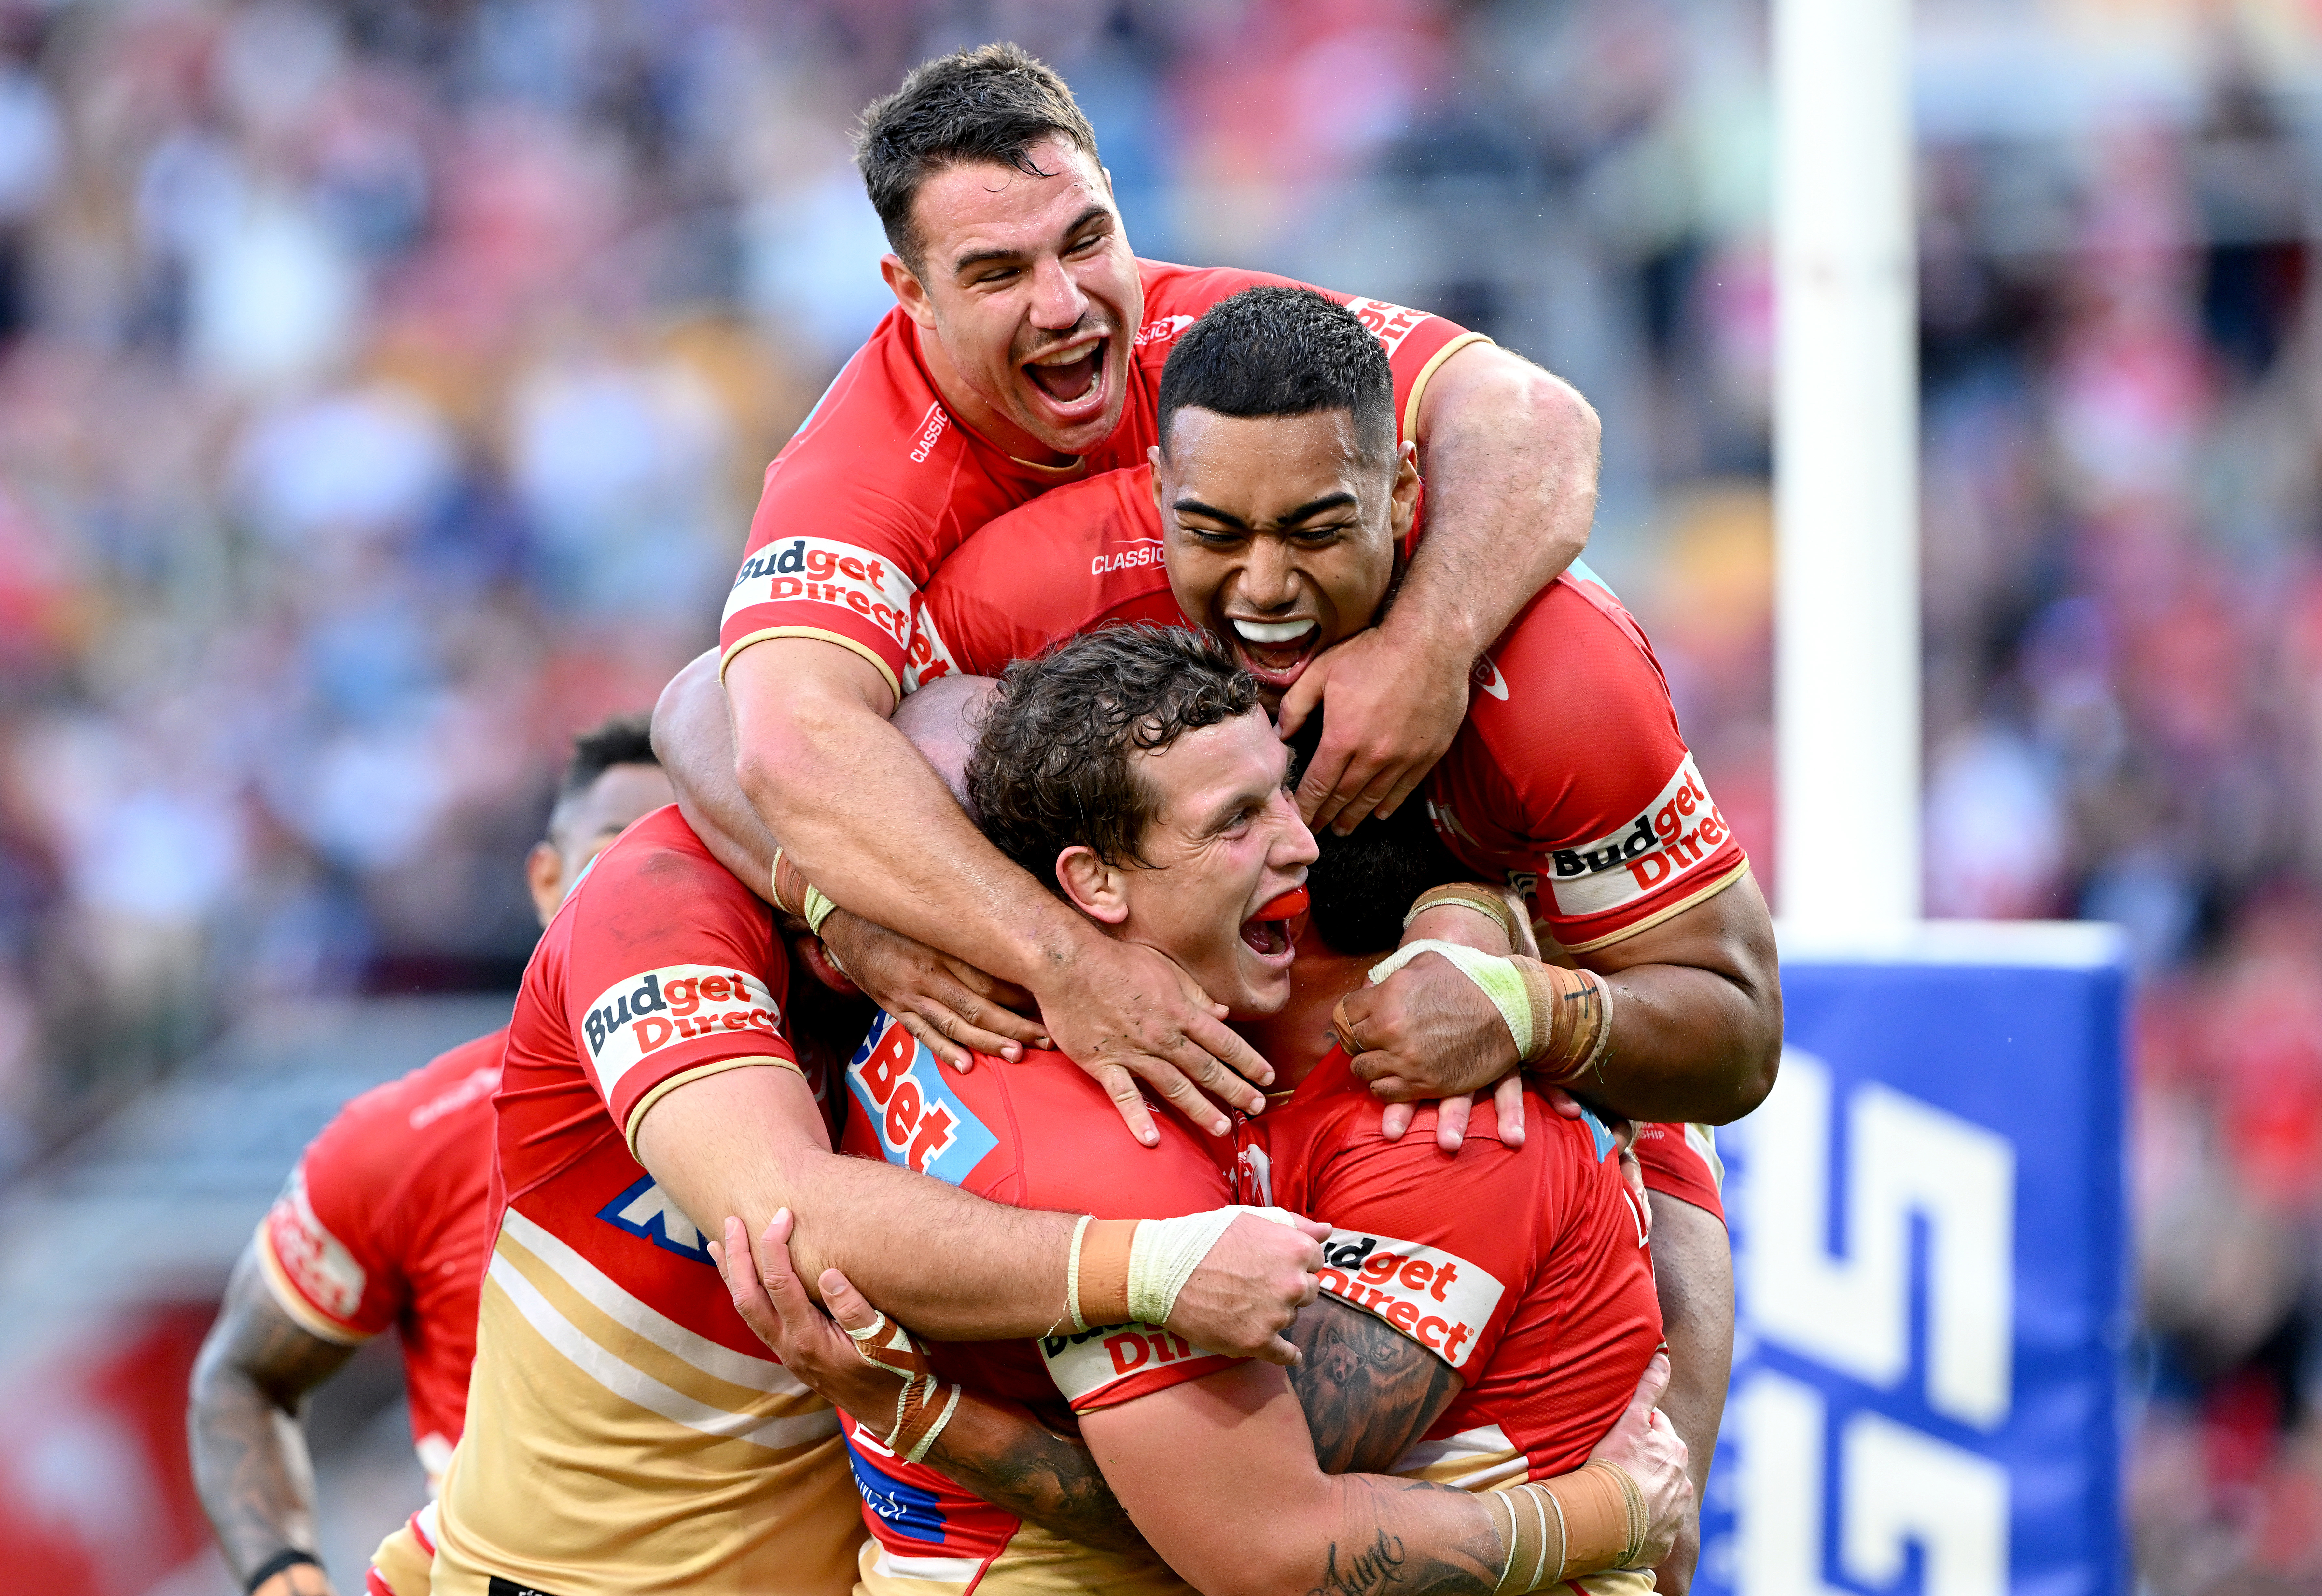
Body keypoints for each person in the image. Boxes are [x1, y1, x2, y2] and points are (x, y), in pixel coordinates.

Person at [901, 284, 1769, 1590]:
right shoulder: (1072, 583)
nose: (1259, 586)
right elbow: (769, 715)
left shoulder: (1555, 700)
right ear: (1155, 492)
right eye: (1213, 532)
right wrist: (863, 918)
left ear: (1403, 491)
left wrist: (1537, 1010)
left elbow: (1240, 1521)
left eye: (1315, 529)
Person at [717, 43, 1607, 1146]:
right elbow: (753, 734)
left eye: (1087, 242)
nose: (1064, 305)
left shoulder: (1216, 342)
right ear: (912, 295)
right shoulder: (859, 470)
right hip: (1104, 977)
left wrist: (1424, 650)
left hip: (1384, 899)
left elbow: (1540, 422)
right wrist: (1038, 958)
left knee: (1666, 1210)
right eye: (998, 273)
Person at [714, 626, 1689, 1596]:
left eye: (1284, 798)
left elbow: (1237, 1518)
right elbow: (1251, 1535)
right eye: (1236, 822)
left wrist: (923, 1414)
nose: (1300, 845)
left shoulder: (1449, 1127)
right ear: (1087, 882)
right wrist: (1610, 1517)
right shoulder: (1117, 1139)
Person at [419, 702, 1327, 1595]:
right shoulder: (653, 900)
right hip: (571, 1580)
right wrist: (1157, 1270)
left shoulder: (978, 940)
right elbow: (792, 1218)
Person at [188, 716, 676, 1596]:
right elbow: (243, 1374)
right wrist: (283, 1575)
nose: (653, 894)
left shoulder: (839, 1100)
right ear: (546, 881)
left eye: (687, 866)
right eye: (618, 856)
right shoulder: (406, 1140)